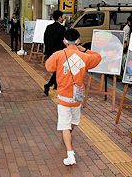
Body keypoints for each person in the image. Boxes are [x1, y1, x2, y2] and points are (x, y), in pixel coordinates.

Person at [45, 29, 101, 166]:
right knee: (73, 122)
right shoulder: (85, 56)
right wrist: (85, 50)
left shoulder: (58, 55)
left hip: (63, 96)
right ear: (79, 41)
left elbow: (48, 67)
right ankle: (67, 136)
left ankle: (70, 154)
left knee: (64, 124)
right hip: (77, 96)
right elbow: (98, 57)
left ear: (64, 41)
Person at [43, 10, 66, 96]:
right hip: (59, 53)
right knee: (59, 70)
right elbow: (63, 41)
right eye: (62, 16)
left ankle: (56, 85)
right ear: (59, 17)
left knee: (56, 69)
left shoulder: (49, 27)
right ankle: (48, 85)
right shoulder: (62, 28)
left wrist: (47, 50)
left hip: (50, 52)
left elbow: (45, 39)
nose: (62, 18)